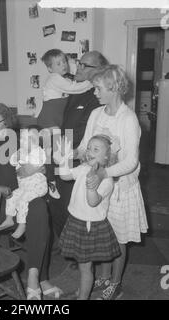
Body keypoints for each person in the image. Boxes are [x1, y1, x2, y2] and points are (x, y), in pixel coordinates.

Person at [0, 103, 63, 300]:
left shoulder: (22, 141)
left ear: (7, 122)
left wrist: (40, 169)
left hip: (24, 198)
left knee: (39, 209)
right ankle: (41, 279)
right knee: (37, 212)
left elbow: (47, 166)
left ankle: (35, 277)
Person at [74, 65, 148, 300]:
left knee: (118, 238)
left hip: (120, 188)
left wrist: (104, 173)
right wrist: (71, 154)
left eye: (98, 88)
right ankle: (103, 277)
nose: (94, 92)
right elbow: (85, 146)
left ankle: (115, 283)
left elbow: (131, 161)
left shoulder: (128, 118)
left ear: (114, 88)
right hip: (99, 184)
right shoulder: (97, 113)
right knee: (101, 235)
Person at [49, 50, 109, 238]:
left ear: (99, 70)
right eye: (79, 63)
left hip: (78, 158)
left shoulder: (98, 96)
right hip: (61, 152)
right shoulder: (75, 88)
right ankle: (63, 244)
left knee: (72, 203)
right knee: (57, 199)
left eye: (85, 65)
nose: (78, 67)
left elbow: (93, 134)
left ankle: (76, 251)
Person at [55, 134, 120, 300]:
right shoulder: (84, 168)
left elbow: (93, 202)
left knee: (85, 268)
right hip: (76, 221)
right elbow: (65, 176)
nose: (90, 151)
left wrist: (91, 185)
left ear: (107, 156)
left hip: (90, 226)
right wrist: (64, 158)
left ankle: (82, 297)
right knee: (84, 266)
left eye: (96, 149)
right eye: (89, 148)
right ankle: (83, 292)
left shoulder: (107, 180)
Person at [37, 49, 93, 200]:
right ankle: (51, 181)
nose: (63, 65)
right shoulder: (54, 78)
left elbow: (72, 83)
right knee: (55, 155)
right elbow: (73, 88)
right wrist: (90, 82)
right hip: (50, 120)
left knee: (53, 154)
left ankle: (52, 179)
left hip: (54, 121)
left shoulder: (63, 79)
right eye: (58, 63)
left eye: (64, 62)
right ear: (50, 68)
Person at [0, 126, 48, 239]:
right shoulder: (21, 151)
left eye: (26, 139)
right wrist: (18, 157)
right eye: (21, 138)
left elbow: (29, 168)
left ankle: (22, 225)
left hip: (37, 186)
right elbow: (12, 161)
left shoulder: (39, 152)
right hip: (24, 186)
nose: (21, 141)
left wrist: (22, 159)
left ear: (35, 142)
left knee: (22, 201)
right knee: (11, 196)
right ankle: (9, 218)